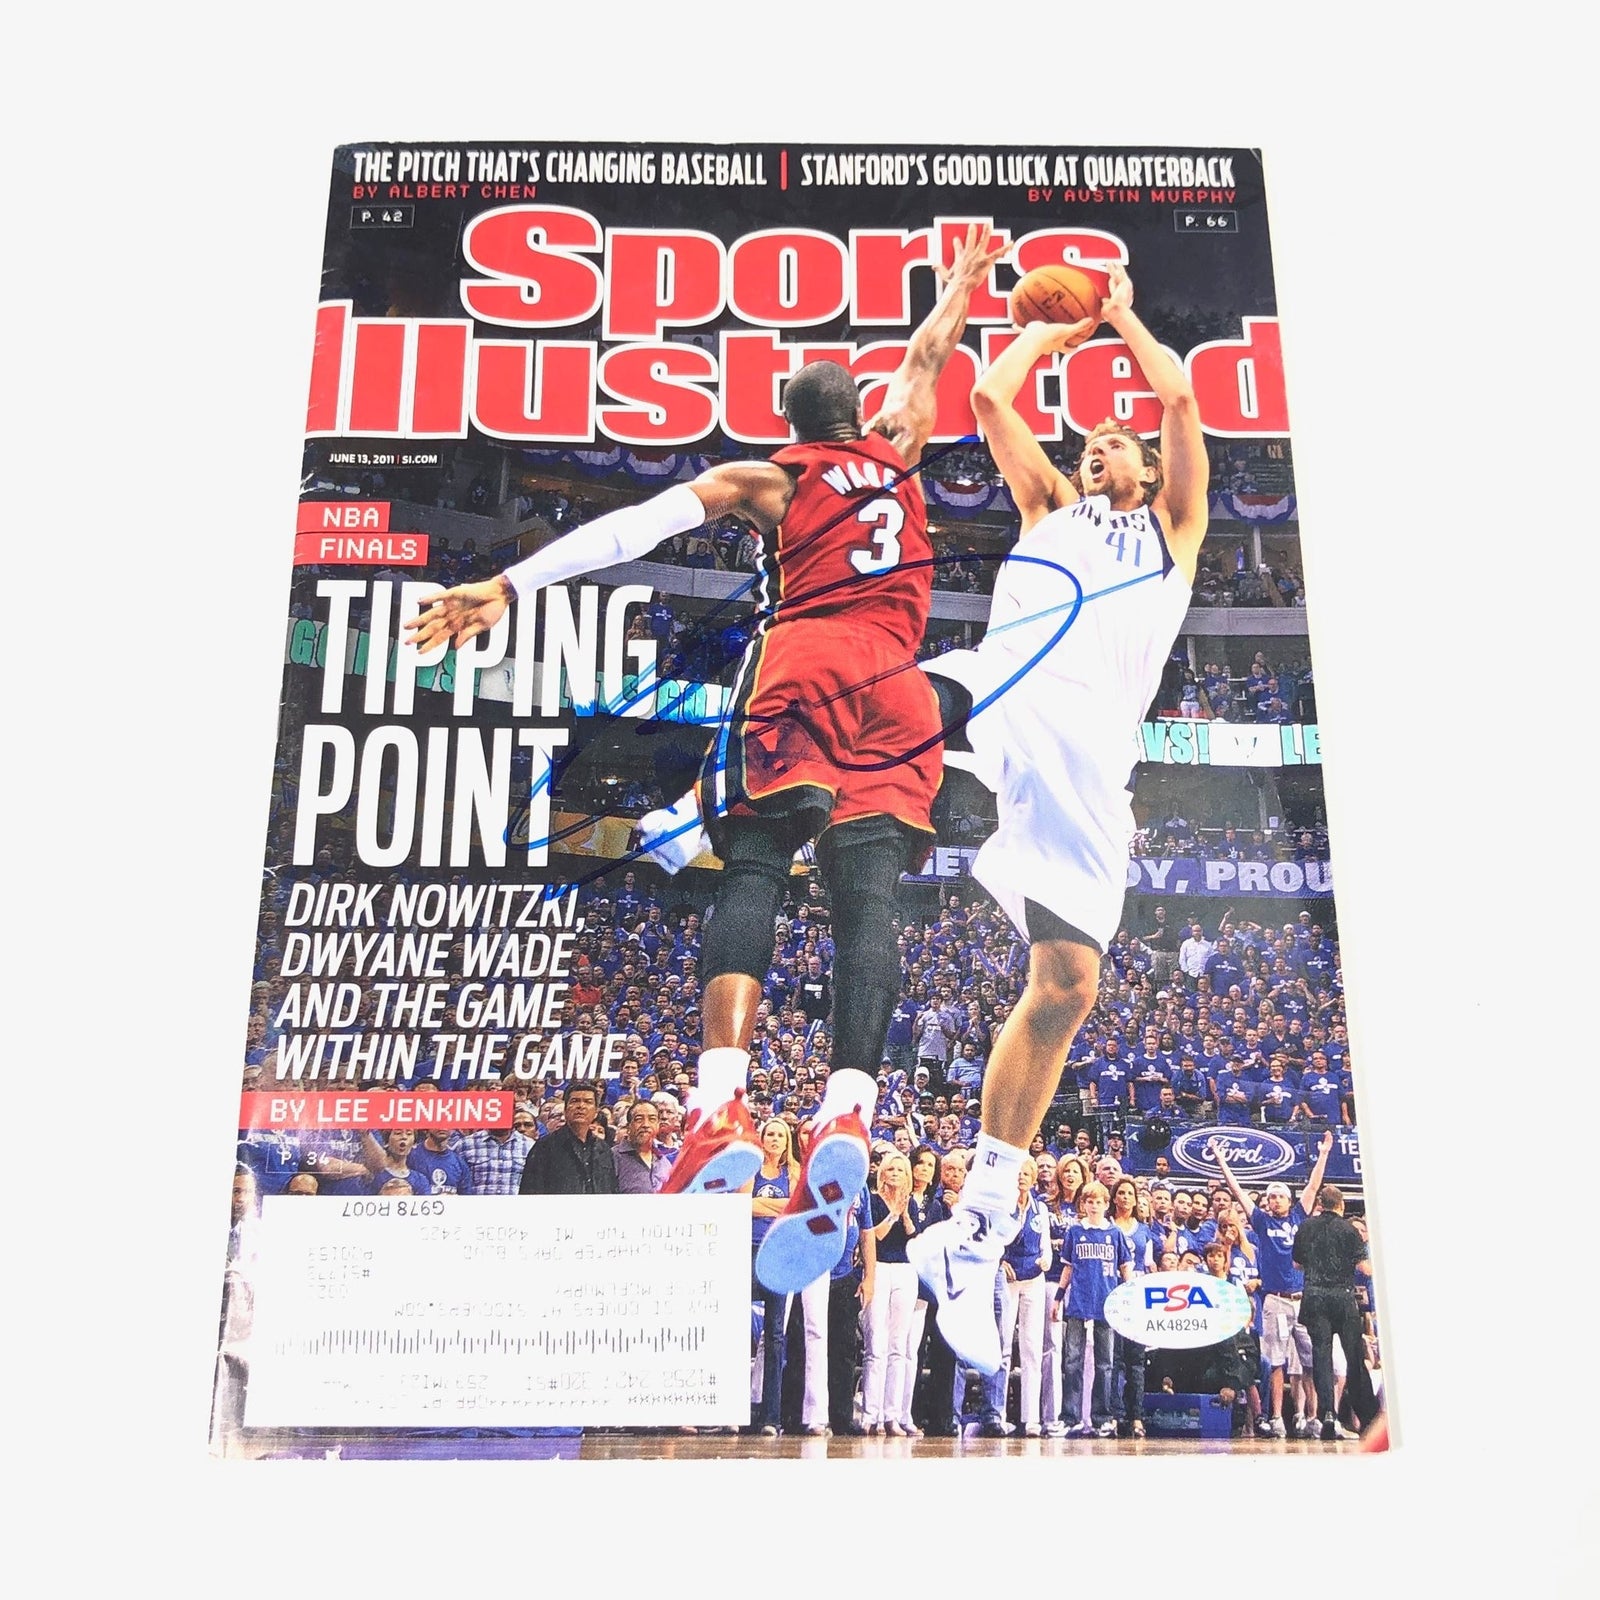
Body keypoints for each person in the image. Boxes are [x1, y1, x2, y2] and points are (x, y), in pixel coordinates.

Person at [410, 225, 1006, 1279]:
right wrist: (960, 282)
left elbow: (638, 525)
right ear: (860, 412)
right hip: (903, 684)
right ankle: (848, 1113)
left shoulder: (769, 476)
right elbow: (927, 358)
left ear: (792, 425)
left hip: (809, 661)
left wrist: (509, 584)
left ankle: (720, 1102)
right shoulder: (898, 448)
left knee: (756, 861)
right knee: (868, 900)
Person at [908, 262, 1210, 1373]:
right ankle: (748, 778)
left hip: (1088, 765)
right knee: (902, 699)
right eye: (1088, 442)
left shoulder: (1174, 528)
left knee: (1069, 986)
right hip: (1008, 693)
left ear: (1148, 468)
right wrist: (1048, 334)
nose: (1097, 448)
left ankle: (974, 1230)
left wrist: (1117, 313)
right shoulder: (1043, 506)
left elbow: (1179, 397)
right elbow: (991, 397)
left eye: (1114, 442)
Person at [1217, 1128, 1334, 1438]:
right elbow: (1237, 1191)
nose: (1275, 1200)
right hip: (1275, 1300)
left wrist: (1323, 1154)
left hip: (1303, 1299)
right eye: (1271, 1196)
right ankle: (1278, 1417)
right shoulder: (1261, 1221)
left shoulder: (1299, 1216)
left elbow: (1313, 1185)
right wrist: (1221, 1160)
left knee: (1311, 1362)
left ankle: (1313, 1417)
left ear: (1289, 1200)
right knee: (1277, 1362)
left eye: (1280, 1195)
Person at [1292, 1184, 1380, 1439]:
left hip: (1315, 1297)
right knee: (1354, 1357)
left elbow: (1296, 1264)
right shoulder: (1349, 1229)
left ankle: (1328, 1413)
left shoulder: (1306, 1227)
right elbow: (1365, 1269)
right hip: (1343, 1297)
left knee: (1321, 1356)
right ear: (1341, 1205)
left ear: (1321, 1204)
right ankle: (1367, 1417)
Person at [1055, 1180, 1131, 1437]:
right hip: (1078, 1302)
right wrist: (1058, 1297)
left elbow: (1125, 1269)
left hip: (1106, 1303)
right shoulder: (1075, 1232)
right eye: (1090, 1201)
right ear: (1083, 1204)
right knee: (1072, 1361)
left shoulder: (1115, 1234)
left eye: (1099, 1201)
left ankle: (1102, 1417)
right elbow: (1067, 1268)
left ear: (1106, 1204)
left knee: (1105, 1363)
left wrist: (1128, 1298)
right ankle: (1070, 1417)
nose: (1094, 1206)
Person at [861, 1150, 923, 1435]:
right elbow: (876, 1235)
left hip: (905, 1271)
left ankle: (892, 1415)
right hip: (880, 1268)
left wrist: (905, 1214)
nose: (895, 1174)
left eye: (900, 1170)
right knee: (876, 1343)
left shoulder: (911, 1203)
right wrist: (894, 1214)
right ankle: (870, 1413)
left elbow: (914, 1237)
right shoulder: (873, 1201)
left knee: (899, 1345)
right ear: (882, 1173)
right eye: (891, 1169)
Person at [747, 1118, 801, 1435]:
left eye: (781, 1134)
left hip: (779, 1253)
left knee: (776, 1336)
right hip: (748, 1250)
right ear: (762, 1137)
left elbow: (797, 1208)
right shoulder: (751, 1170)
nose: (775, 1139)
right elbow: (742, 1205)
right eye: (770, 1133)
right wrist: (779, 1206)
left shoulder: (793, 1172)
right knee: (738, 1332)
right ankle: (736, 1411)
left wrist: (760, 1205)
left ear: (787, 1141)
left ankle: (771, 1417)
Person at [517, 1082, 619, 1196]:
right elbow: (530, 1192)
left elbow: (611, 1189)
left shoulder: (604, 1149)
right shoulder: (545, 1147)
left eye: (588, 1102)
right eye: (575, 1101)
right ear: (565, 1110)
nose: (581, 1106)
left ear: (595, 1112)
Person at [613, 1099, 673, 1194]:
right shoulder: (613, 1158)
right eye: (639, 1119)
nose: (645, 1125)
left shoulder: (664, 1162)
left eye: (652, 1119)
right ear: (629, 1126)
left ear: (658, 1125)